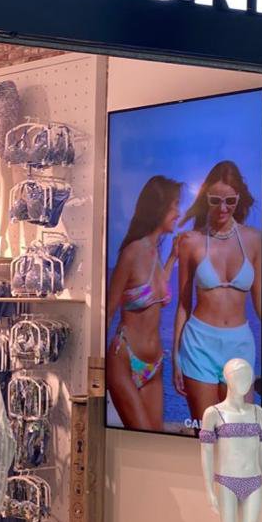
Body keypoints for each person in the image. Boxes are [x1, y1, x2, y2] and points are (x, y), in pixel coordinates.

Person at [173, 160, 262, 421]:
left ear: (239, 199)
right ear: (206, 198)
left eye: (230, 201)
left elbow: (260, 304)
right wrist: (176, 357)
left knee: (240, 433)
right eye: (215, 201)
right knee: (206, 433)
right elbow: (183, 305)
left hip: (240, 344)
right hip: (199, 343)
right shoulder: (191, 242)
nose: (222, 208)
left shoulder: (254, 240)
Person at [107, 175, 181, 431]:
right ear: (159, 208)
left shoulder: (155, 250)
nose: (178, 213)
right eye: (174, 206)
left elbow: (156, 291)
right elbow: (109, 309)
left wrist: (172, 258)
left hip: (155, 364)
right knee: (140, 433)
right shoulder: (132, 252)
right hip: (125, 359)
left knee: (154, 439)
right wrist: (95, 369)